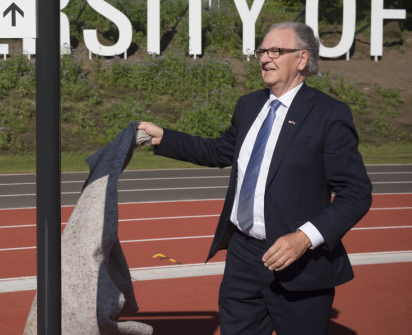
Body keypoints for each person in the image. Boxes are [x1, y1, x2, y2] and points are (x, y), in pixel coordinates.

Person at [138, 21, 372, 334]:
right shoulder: (249, 105)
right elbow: (220, 151)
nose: (264, 58)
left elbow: (356, 194)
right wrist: (163, 137)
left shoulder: (329, 114)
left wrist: (303, 238)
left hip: (298, 261)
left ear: (302, 59)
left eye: (276, 51)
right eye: (262, 50)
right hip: (243, 257)